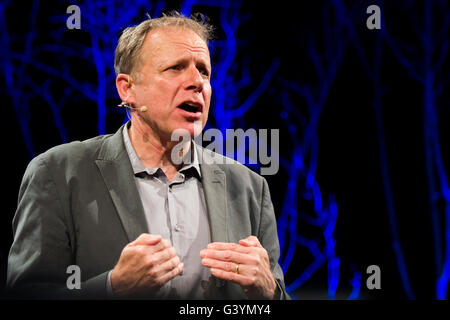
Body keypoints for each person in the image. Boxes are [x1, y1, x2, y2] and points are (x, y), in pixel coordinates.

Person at [7, 12, 288, 300]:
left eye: (203, 71)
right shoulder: (58, 174)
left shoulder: (249, 188)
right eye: (176, 68)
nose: (196, 82)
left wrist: (269, 293)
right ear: (128, 89)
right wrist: (112, 288)